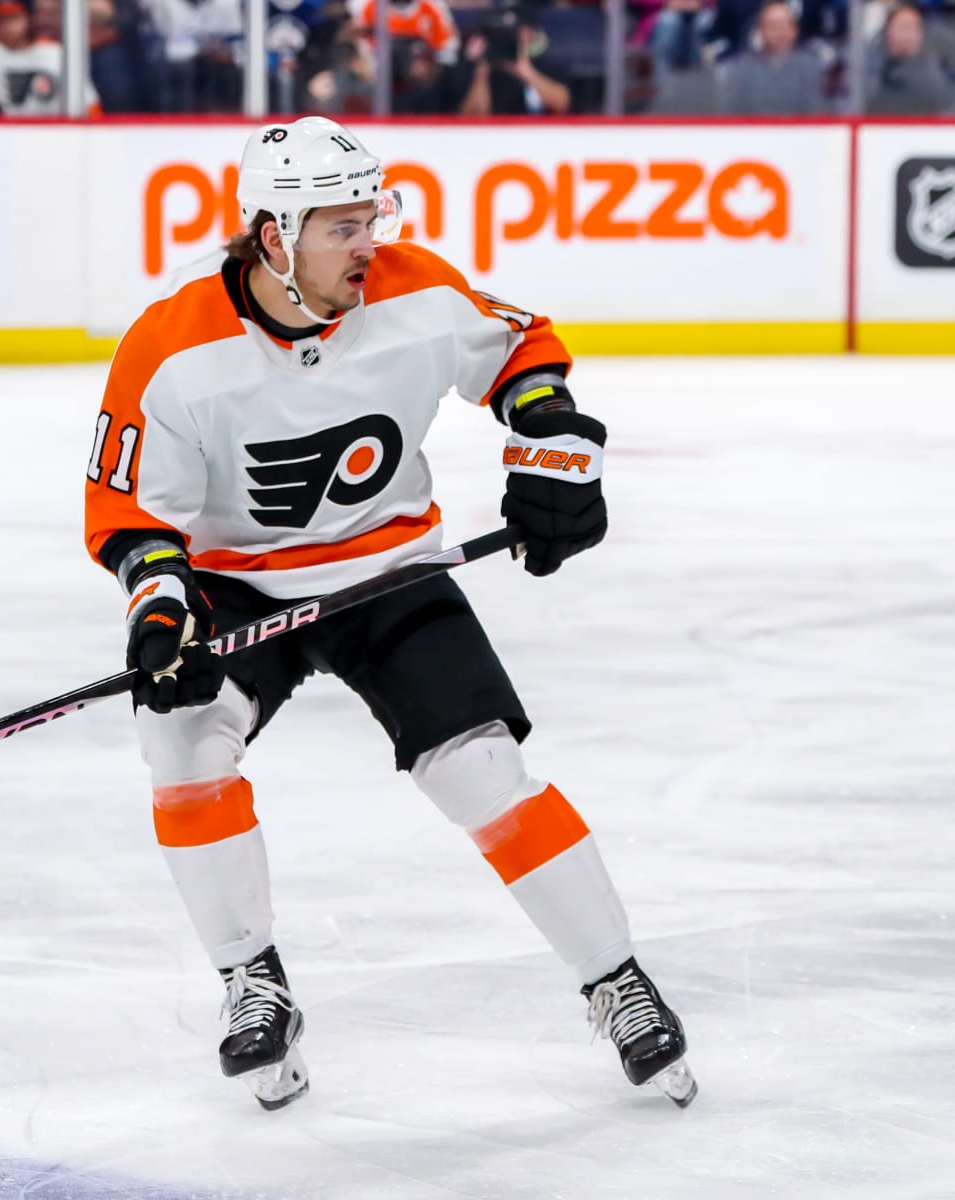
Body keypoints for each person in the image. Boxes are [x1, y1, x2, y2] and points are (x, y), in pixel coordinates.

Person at [82, 116, 697, 1113]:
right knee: (185, 755)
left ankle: (618, 981)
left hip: (391, 574)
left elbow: (521, 351)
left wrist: (548, 435)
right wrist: (162, 610)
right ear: (274, 237)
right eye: (342, 227)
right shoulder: (172, 347)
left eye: (371, 216)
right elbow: (132, 512)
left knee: (486, 773)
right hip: (241, 589)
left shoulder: (414, 288)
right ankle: (252, 979)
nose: (369, 241)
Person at [0, 0, 100, 115]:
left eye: (13, 18)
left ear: (30, 18)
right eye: (0, 19)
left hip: (52, 137)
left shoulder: (57, 55)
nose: (7, 27)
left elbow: (89, 108)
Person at [719, 0, 827, 114]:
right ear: (760, 31)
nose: (781, 31)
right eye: (774, 25)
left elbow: (820, 115)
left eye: (787, 24)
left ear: (795, 30)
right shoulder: (740, 70)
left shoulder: (812, 67)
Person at [864, 3, 955, 115]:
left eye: (912, 28)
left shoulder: (934, 73)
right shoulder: (874, 69)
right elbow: (865, 103)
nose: (907, 35)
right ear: (888, 32)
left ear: (920, 34)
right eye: (902, 27)